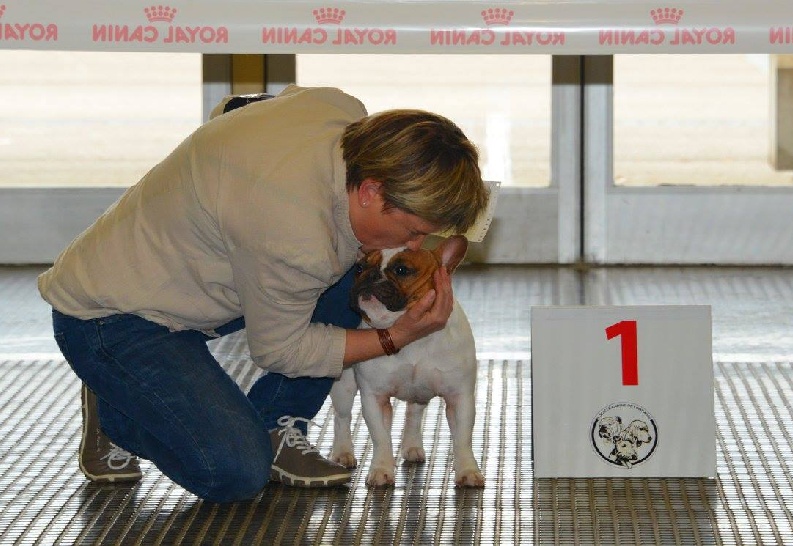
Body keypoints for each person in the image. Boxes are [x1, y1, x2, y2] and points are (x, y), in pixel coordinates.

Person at [39, 85, 488, 503]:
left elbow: (238, 107)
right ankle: (117, 403)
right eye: (413, 230)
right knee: (235, 471)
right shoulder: (295, 240)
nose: (415, 244)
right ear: (372, 191)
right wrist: (397, 336)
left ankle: (276, 423)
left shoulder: (338, 110)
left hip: (201, 278)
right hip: (111, 315)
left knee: (353, 270)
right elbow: (281, 350)